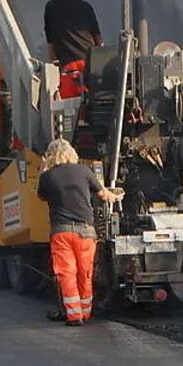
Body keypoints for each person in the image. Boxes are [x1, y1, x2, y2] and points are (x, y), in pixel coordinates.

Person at [37, 139, 120, 326]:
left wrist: (43, 169)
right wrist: (116, 196)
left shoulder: (48, 176)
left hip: (62, 232)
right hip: (86, 232)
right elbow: (104, 195)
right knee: (85, 273)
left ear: (50, 156)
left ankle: (74, 316)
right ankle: (85, 312)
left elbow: (41, 195)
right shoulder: (84, 171)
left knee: (67, 273)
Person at [44, 0, 103, 99]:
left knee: (70, 110)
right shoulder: (86, 7)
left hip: (69, 68)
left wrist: (54, 67)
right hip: (89, 64)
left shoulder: (51, 8)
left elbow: (50, 43)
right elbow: (98, 38)